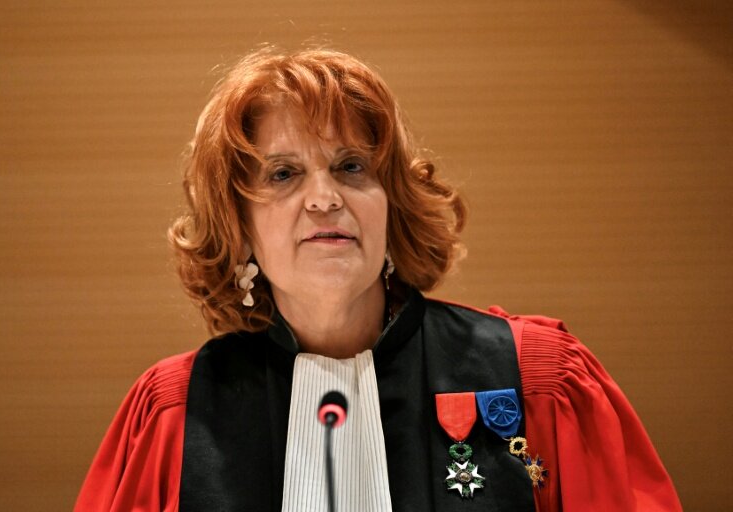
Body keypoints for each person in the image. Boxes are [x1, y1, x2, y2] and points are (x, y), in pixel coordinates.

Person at [74, 48, 681, 511]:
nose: (323, 198)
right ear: (238, 225)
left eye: (351, 166)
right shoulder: (173, 414)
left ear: (392, 203)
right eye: (283, 174)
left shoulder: (540, 379)